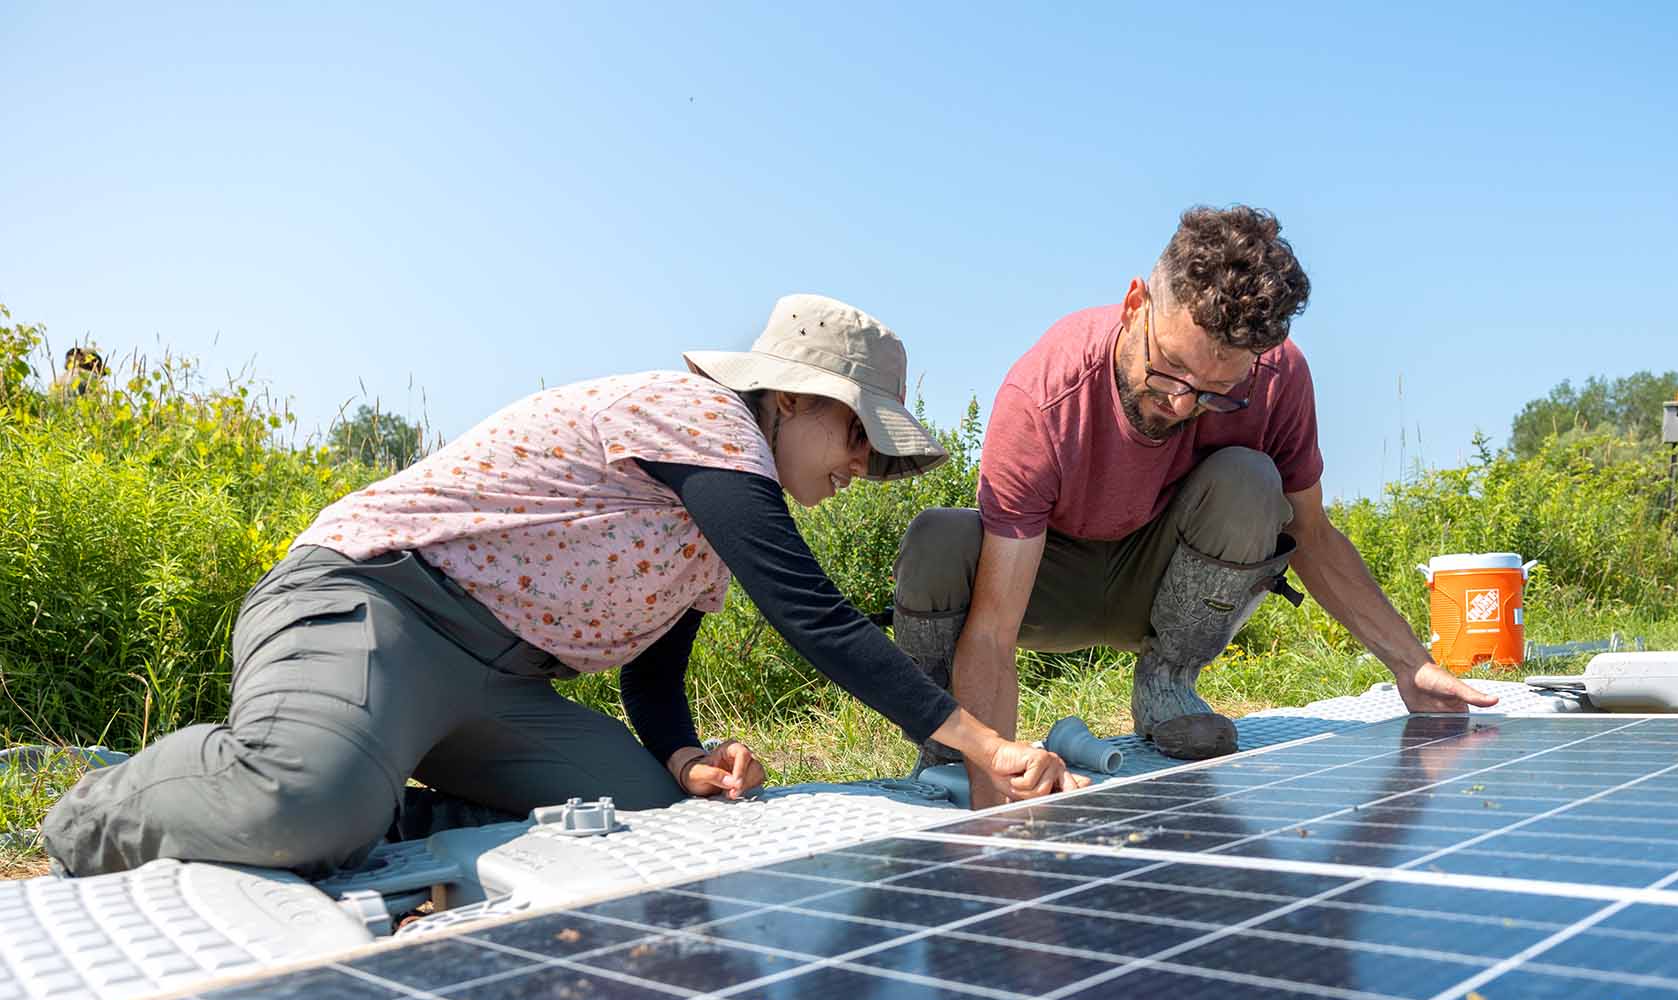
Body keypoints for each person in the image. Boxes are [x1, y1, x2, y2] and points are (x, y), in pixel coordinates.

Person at [44, 295, 1081, 878]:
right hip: (374, 606)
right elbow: (810, 619)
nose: (862, 465)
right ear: (787, 401)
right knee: (299, 801)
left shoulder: (710, 529)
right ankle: (97, 810)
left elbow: (653, 678)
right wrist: (985, 742)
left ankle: (380, 809)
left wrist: (681, 755)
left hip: (493, 689)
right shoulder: (705, 424)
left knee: (634, 806)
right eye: (858, 433)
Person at [892, 206, 1497, 807]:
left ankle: (1167, 687)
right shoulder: (1045, 397)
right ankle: (953, 748)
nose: (1182, 404)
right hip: (1045, 584)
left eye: (1216, 391)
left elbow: (1311, 533)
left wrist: (1411, 666)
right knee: (938, 539)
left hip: (1161, 586)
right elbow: (994, 629)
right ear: (1136, 306)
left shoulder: (1279, 378)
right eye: (1170, 370)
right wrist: (992, 791)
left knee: (1251, 478)